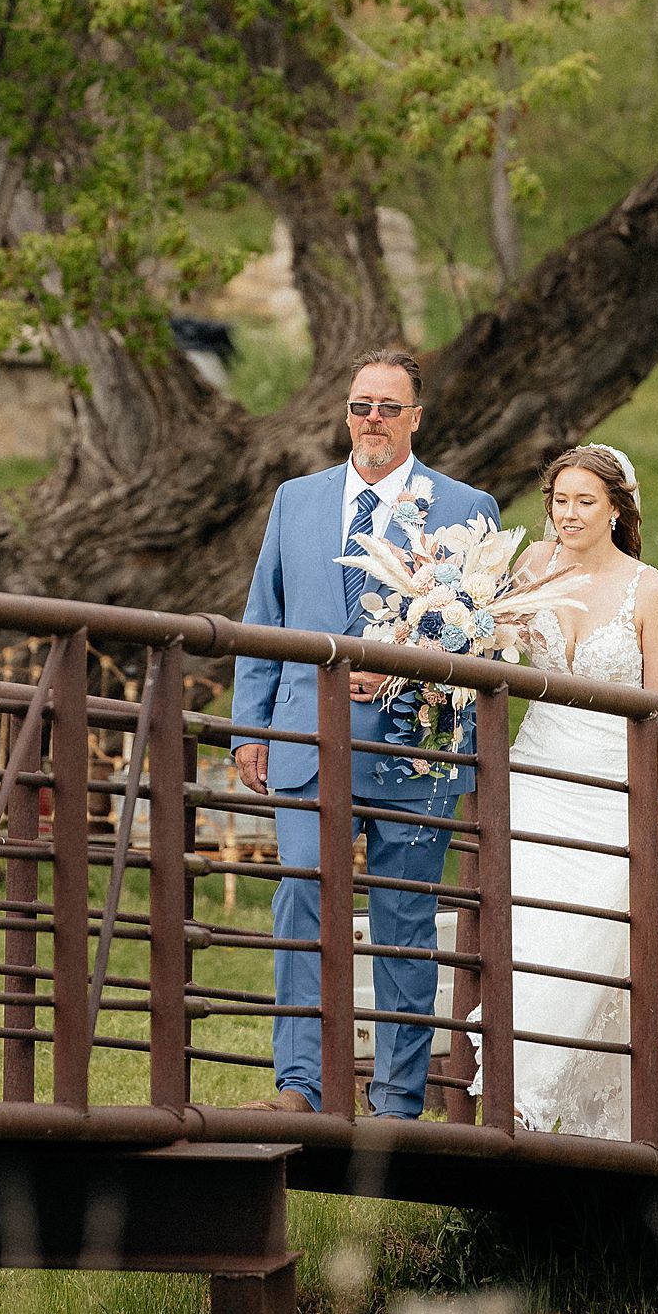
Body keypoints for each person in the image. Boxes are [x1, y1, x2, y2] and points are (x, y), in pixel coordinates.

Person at [231, 348, 499, 1116]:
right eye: (359, 406)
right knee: (301, 898)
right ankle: (300, 1086)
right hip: (303, 740)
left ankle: (396, 1101)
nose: (372, 419)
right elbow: (264, 616)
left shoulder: (467, 507)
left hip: (416, 750)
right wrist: (249, 729)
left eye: (388, 406)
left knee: (404, 921)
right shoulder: (297, 500)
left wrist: (404, 667)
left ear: (417, 416)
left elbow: (483, 640)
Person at [470, 443, 658, 1145]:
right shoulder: (532, 568)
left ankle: (533, 1094)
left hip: (616, 782)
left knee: (597, 927)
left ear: (616, 509)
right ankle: (518, 1093)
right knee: (533, 927)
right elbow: (495, 649)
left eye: (584, 501)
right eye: (559, 500)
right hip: (539, 773)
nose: (568, 514)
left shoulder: (650, 591)